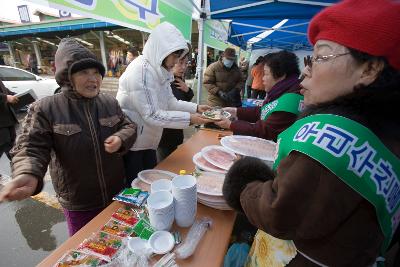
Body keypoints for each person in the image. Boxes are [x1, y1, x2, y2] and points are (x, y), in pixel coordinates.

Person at [223, 0, 400, 266]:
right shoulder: (385, 133)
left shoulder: (338, 136)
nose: (308, 71)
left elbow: (278, 211)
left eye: (320, 57)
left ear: (370, 68)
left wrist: (243, 185)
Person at [0, 38, 137, 236]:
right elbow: (30, 146)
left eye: (96, 72)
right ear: (67, 77)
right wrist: (27, 173)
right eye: (83, 72)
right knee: (83, 251)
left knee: (116, 239)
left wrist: (121, 138)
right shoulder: (46, 108)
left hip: (115, 193)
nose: (93, 79)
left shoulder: (109, 102)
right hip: (78, 202)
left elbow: (129, 125)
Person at [116, 22, 211, 186]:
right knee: (136, 187)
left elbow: (169, 102)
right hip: (134, 143)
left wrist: (195, 108)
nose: (176, 62)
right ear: (162, 51)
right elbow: (152, 114)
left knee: (150, 182)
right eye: (175, 56)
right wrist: (190, 119)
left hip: (149, 140)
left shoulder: (160, 70)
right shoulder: (141, 72)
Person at [215, 50, 302, 141]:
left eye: (266, 74)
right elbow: (263, 111)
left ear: (281, 75)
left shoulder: (290, 100)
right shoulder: (281, 92)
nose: (262, 79)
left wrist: (230, 124)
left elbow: (264, 131)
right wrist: (235, 111)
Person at [157, 53, 194, 161]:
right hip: (164, 135)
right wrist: (191, 118)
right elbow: (174, 106)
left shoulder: (178, 79)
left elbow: (185, 100)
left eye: (186, 63)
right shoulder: (164, 81)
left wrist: (187, 90)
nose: (183, 67)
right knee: (165, 164)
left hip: (176, 131)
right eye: (180, 63)